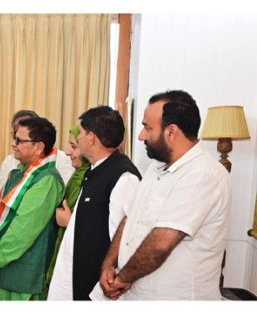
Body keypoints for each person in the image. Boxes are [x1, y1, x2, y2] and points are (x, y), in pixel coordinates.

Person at [97, 90, 231, 301]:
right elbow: (130, 218)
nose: (141, 135)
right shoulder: (155, 167)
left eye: (147, 127)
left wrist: (121, 279)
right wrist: (109, 264)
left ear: (171, 132)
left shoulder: (203, 174)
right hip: (135, 293)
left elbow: (161, 243)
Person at [48, 107, 140, 300]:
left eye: (80, 133)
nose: (78, 139)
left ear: (91, 138)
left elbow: (125, 242)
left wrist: (100, 291)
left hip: (97, 290)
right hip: (75, 278)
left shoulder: (123, 177)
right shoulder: (96, 170)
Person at [0, 117, 64, 300]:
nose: (13, 144)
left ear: (39, 147)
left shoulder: (47, 180)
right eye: (14, 137)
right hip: (2, 262)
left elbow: (24, 228)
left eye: (19, 140)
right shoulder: (18, 172)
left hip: (24, 271)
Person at [42, 123, 91, 293]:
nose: (68, 152)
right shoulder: (76, 176)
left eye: (74, 146)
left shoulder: (94, 179)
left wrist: (70, 222)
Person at [0, 109, 75, 200]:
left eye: (20, 139)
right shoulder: (10, 161)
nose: (14, 143)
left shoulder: (62, 159)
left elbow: (63, 196)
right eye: (15, 135)